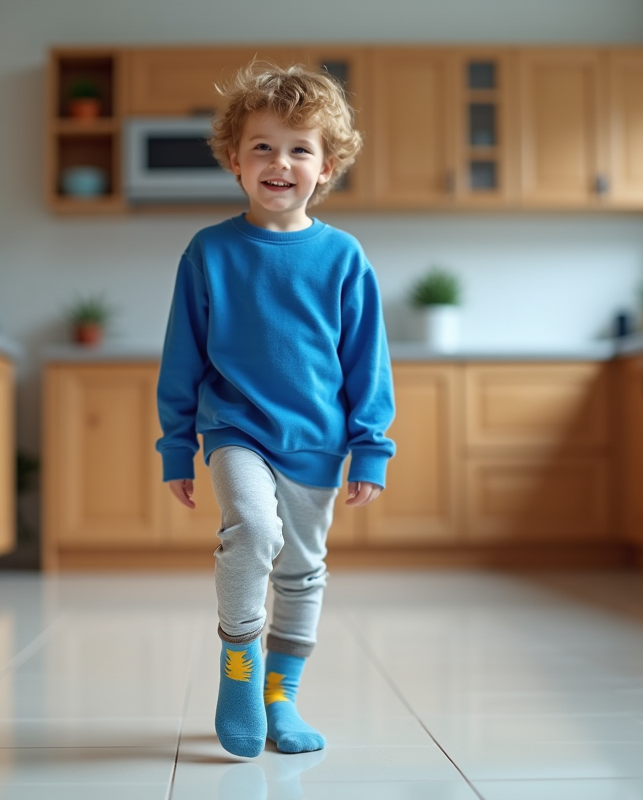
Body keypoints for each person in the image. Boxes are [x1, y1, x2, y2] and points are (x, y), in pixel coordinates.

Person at [155, 61, 396, 758]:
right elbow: (183, 359)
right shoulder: (209, 253)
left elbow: (366, 365)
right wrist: (177, 445)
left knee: (300, 573)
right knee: (254, 532)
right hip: (235, 433)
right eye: (262, 145)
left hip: (318, 444)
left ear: (326, 168)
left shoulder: (345, 258)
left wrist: (370, 445)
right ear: (235, 160)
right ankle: (239, 667)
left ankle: (279, 696)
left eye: (299, 148)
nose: (279, 161)